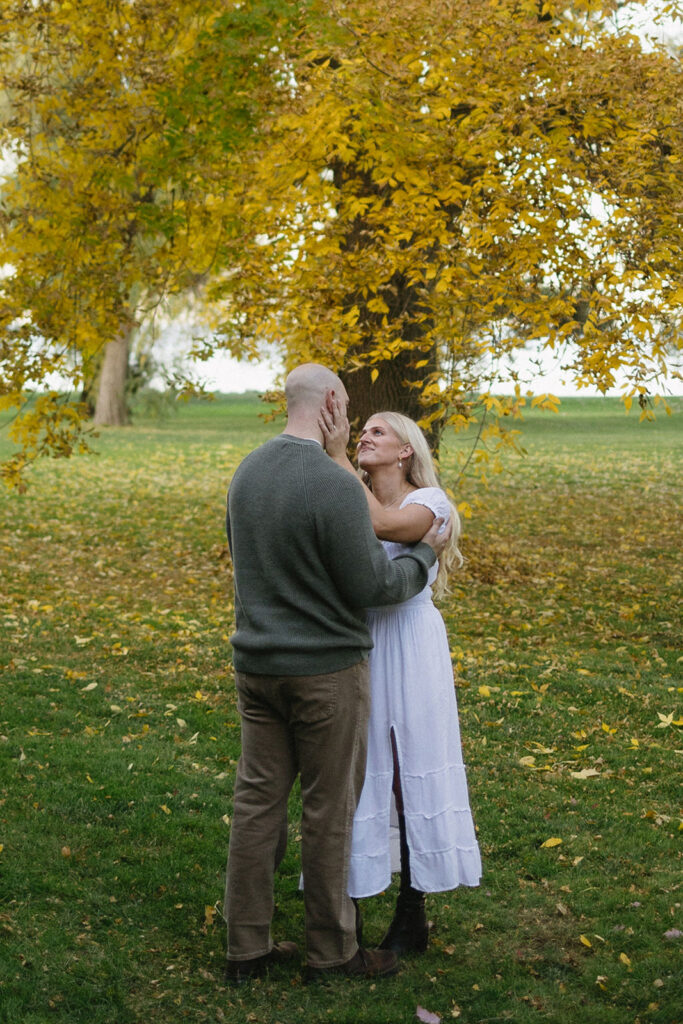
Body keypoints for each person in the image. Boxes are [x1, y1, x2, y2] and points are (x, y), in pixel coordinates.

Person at [223, 363, 452, 984]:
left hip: (256, 665)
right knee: (329, 810)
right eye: (347, 404)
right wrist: (426, 557)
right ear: (329, 402)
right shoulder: (331, 483)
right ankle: (332, 953)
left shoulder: (247, 472)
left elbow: (244, 563)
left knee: (256, 804)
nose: (350, 418)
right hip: (324, 672)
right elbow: (372, 583)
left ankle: (246, 947)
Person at [320, 403, 481, 954]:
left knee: (407, 764)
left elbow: (387, 527)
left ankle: (413, 910)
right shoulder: (351, 496)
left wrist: (337, 453)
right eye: (360, 431)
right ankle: (352, 907)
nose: (364, 436)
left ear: (405, 449)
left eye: (376, 432)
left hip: (412, 642)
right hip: (363, 638)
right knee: (359, 766)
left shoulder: (429, 504)